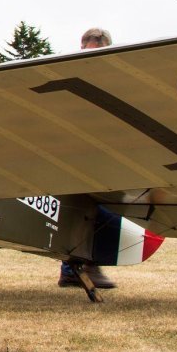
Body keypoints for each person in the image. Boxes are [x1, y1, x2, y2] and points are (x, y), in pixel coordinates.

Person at [58, 26, 116, 290]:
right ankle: (76, 267)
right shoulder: (69, 71)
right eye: (88, 50)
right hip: (75, 153)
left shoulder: (111, 77)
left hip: (98, 152)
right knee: (81, 206)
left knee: (93, 207)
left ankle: (77, 268)